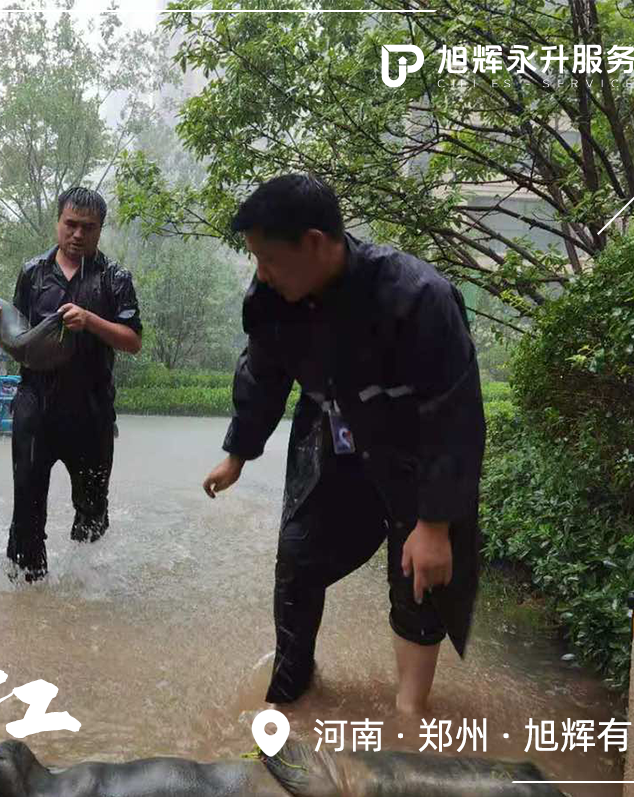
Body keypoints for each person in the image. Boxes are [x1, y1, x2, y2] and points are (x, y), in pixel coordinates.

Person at [202, 174, 486, 713]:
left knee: (421, 576)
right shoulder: (271, 299)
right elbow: (262, 375)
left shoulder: (418, 297)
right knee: (298, 556)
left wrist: (434, 525)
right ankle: (291, 691)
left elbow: (454, 415)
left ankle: (409, 715)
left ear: (314, 243)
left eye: (269, 259)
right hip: (334, 439)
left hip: (416, 450)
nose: (261, 273)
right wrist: (238, 453)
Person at [0, 186, 142, 583]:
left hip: (92, 409)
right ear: (58, 222)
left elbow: (133, 341)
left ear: (100, 230)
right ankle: (27, 590)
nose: (78, 234)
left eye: (88, 227)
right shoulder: (33, 273)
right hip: (36, 406)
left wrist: (91, 320)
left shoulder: (115, 278)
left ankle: (86, 587)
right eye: (71, 224)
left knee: (92, 510)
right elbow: (19, 341)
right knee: (27, 505)